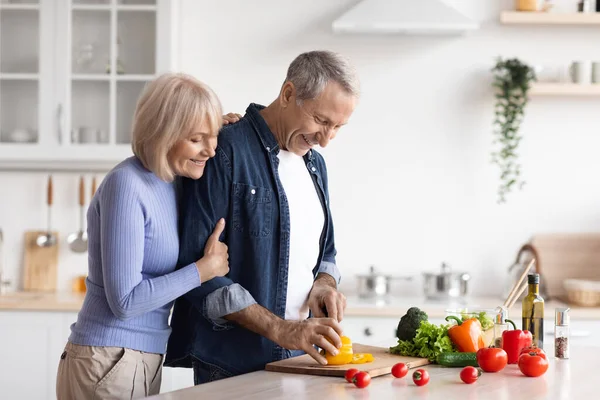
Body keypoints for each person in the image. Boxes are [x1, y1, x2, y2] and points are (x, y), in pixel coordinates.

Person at [165, 50, 360, 384]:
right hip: (232, 364)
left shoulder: (315, 165)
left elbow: (325, 252)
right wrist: (281, 329)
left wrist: (322, 286)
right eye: (322, 121)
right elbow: (197, 270)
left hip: (301, 359)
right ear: (288, 94)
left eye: (338, 127)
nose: (327, 140)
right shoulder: (224, 150)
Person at [56, 72, 240, 399]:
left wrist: (224, 132)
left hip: (137, 357)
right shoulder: (127, 185)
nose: (210, 150)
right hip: (108, 357)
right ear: (164, 134)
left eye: (211, 138)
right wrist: (203, 270)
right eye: (197, 139)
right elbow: (125, 302)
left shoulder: (173, 182)